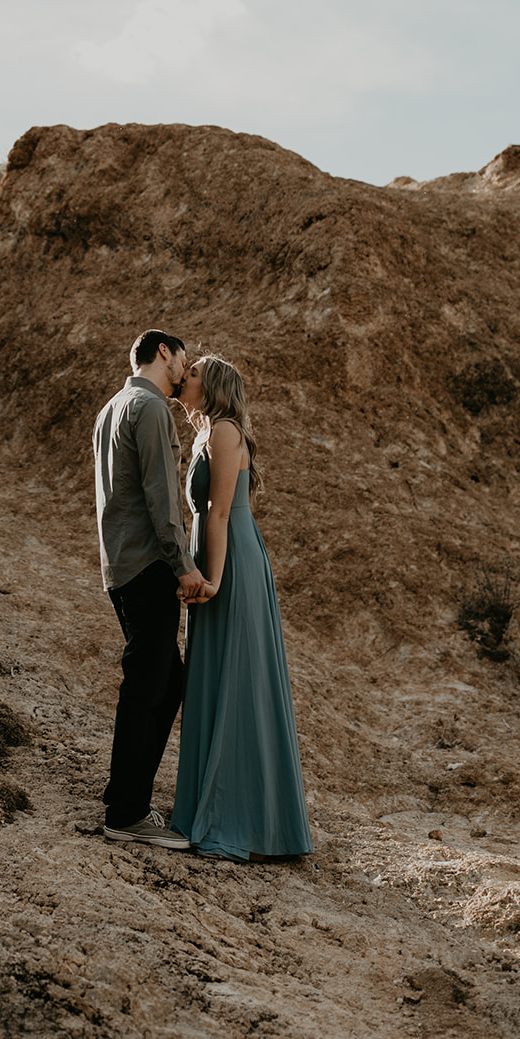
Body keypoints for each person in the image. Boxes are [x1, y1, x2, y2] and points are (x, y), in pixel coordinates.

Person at [171, 354, 313, 861]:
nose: (182, 378)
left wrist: (213, 578)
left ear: (211, 386)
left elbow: (222, 511)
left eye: (190, 375)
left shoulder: (225, 432)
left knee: (238, 679)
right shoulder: (207, 433)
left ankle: (245, 819)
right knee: (215, 677)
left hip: (230, 565)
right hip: (215, 561)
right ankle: (218, 806)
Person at [93, 329, 208, 847]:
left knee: (164, 683)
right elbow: (162, 497)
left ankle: (127, 794)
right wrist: (183, 566)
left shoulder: (112, 407)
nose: (187, 367)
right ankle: (126, 812)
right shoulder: (152, 408)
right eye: (184, 356)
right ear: (165, 352)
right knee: (148, 686)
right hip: (148, 566)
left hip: (119, 566)